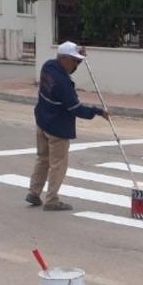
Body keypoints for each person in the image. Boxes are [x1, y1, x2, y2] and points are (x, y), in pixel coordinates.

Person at [26, 41, 109, 211]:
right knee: (58, 164)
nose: (74, 65)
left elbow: (70, 68)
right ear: (63, 58)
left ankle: (33, 193)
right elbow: (76, 109)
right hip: (57, 128)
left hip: (42, 121)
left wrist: (80, 58)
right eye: (73, 60)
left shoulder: (48, 67)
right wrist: (98, 112)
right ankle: (51, 200)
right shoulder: (63, 83)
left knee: (42, 159)